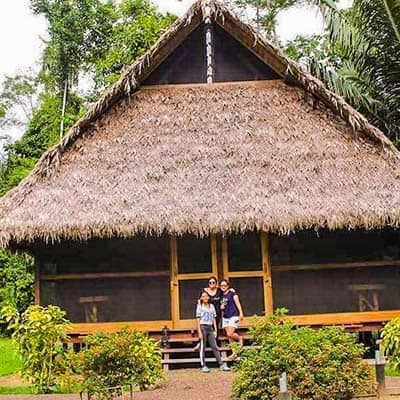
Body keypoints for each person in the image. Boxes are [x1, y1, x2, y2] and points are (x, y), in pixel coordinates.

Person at [196, 291, 230, 373]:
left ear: (208, 297)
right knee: (202, 347)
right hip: (203, 327)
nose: (205, 297)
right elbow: (198, 319)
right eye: (203, 296)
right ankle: (203, 365)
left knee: (214, 346)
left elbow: (214, 318)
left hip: (210, 327)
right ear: (201, 298)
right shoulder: (199, 306)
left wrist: (215, 329)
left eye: (206, 296)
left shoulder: (211, 306)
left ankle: (221, 364)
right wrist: (199, 331)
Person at [220, 278, 244, 360]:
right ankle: (234, 353)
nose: (223, 286)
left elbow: (237, 303)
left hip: (233, 315)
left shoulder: (232, 293)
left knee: (230, 333)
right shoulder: (222, 295)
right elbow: (222, 306)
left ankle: (239, 338)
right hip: (225, 317)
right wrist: (221, 307)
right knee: (229, 336)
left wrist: (241, 313)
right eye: (222, 285)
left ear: (228, 286)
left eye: (225, 285)